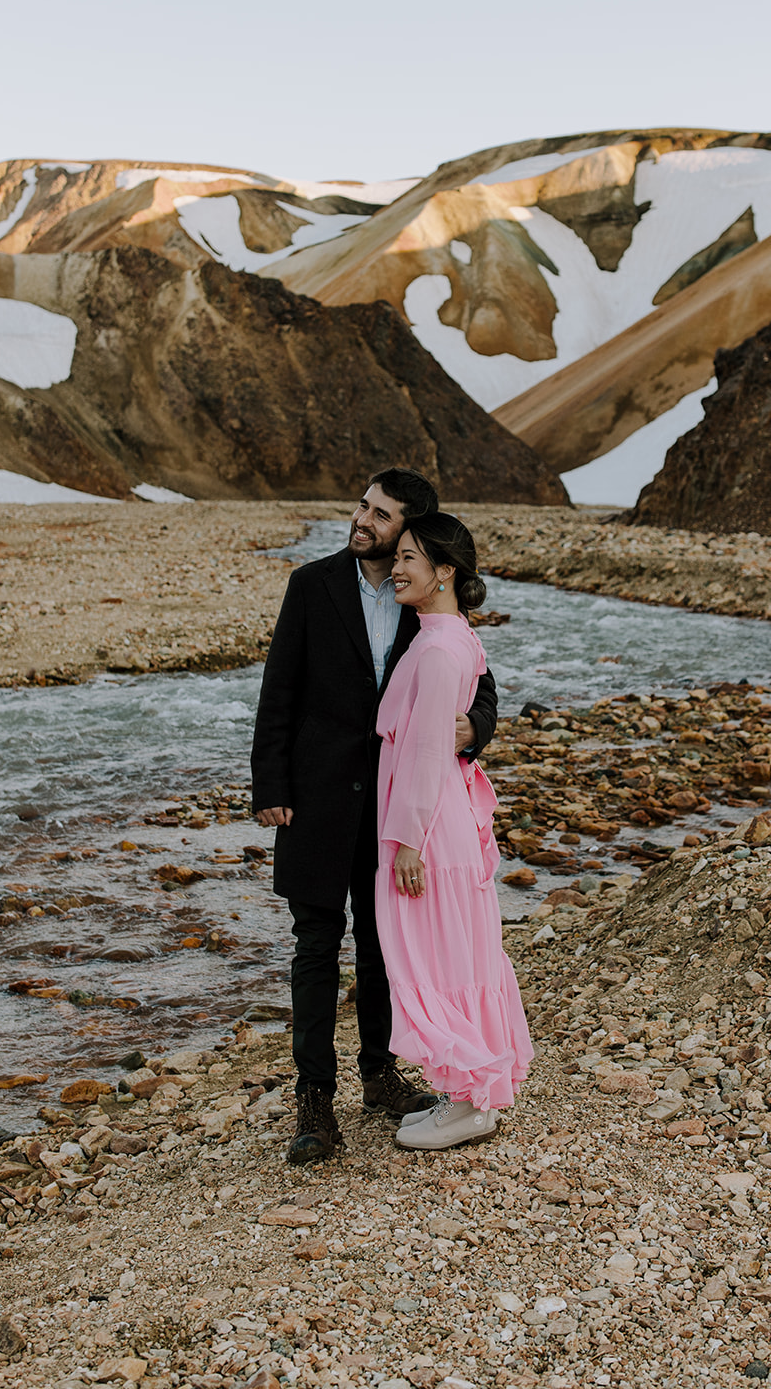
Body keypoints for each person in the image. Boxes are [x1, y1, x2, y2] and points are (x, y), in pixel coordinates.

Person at [250, 468, 499, 1164]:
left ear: (408, 531)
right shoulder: (312, 586)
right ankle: (314, 1101)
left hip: (395, 809)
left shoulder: (425, 597)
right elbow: (280, 690)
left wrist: (471, 731)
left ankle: (381, 1075)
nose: (362, 520)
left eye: (381, 514)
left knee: (388, 945)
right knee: (314, 948)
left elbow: (481, 688)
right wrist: (269, 783)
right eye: (363, 506)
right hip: (318, 799)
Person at [374, 511, 532, 1150]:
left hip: (430, 829)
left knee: (434, 959)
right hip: (445, 820)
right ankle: (466, 1095)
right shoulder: (451, 635)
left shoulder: (438, 648)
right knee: (456, 955)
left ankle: (469, 1100)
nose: (397, 568)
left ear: (444, 572)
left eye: (410, 557)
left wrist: (406, 840)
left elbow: (427, 751)